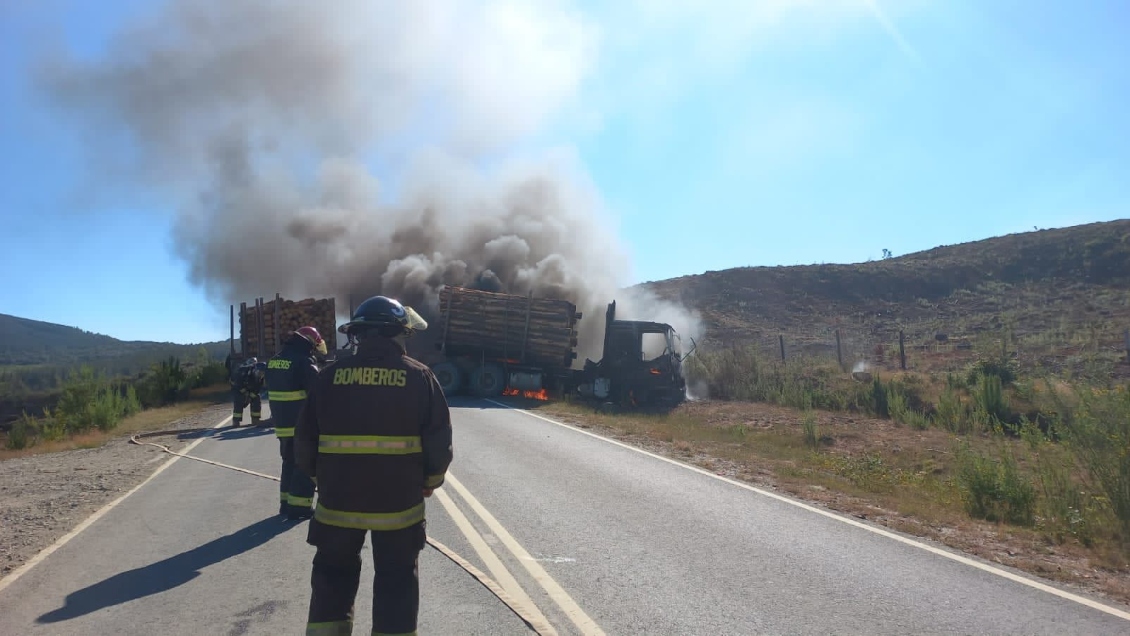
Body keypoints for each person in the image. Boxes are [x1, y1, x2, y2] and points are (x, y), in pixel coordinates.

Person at [294, 295, 453, 636]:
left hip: (337, 507)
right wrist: (430, 481)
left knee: (332, 579)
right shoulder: (420, 377)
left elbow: (304, 442)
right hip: (399, 510)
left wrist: (320, 477)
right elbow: (439, 444)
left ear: (358, 335)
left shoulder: (328, 377)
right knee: (397, 582)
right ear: (398, 334)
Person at [265, 326, 326, 520]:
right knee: (305, 464)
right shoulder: (303, 361)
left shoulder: (275, 360)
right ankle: (299, 507)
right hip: (301, 424)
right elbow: (317, 391)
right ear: (309, 343)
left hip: (282, 424)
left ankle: (285, 503)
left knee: (289, 462)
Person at [230, 357, 265, 427]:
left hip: (251, 389)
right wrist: (245, 394)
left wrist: (251, 396)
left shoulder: (260, 375)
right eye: (260, 372)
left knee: (256, 399)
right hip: (239, 389)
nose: (261, 374)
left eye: (262, 372)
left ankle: (255, 420)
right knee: (239, 401)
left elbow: (258, 387)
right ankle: (236, 421)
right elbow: (238, 384)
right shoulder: (243, 371)